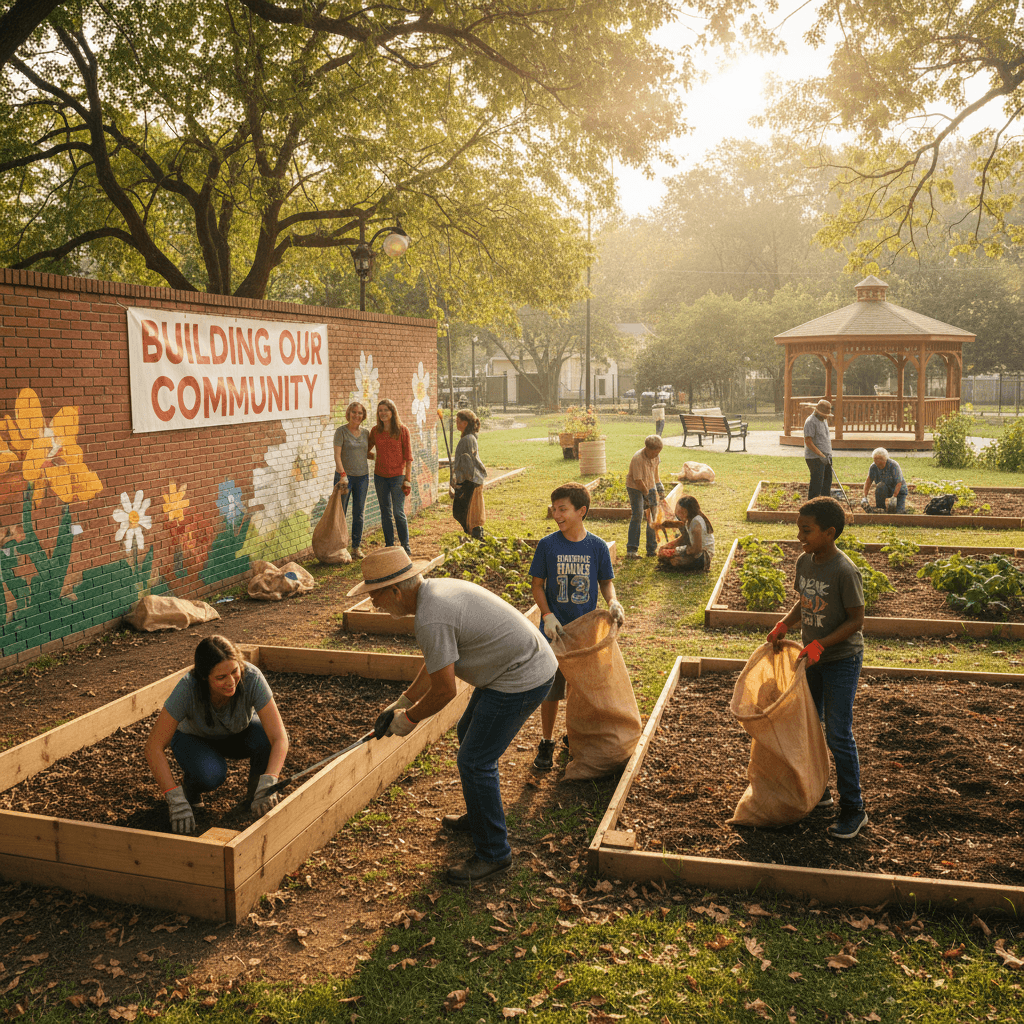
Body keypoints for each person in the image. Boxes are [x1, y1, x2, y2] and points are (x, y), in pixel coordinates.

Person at [350, 548, 557, 885]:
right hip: (513, 666)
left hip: (521, 676)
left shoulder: (432, 615)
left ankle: (494, 853)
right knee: (468, 732)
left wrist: (408, 720)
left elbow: (445, 690)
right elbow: (437, 664)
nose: (375, 606)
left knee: (475, 761)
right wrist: (401, 701)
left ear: (395, 591)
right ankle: (481, 816)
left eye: (375, 597)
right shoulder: (432, 594)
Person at [767, 496, 868, 840]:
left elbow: (856, 621)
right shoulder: (805, 562)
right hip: (811, 658)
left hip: (840, 661)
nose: (800, 536)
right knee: (810, 724)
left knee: (838, 734)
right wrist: (783, 624)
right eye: (799, 528)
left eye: (806, 530)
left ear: (830, 532)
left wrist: (822, 644)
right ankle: (820, 791)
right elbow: (804, 601)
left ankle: (854, 809)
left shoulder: (844, 570)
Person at [144, 635, 289, 835]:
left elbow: (279, 737)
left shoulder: (252, 677)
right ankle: (190, 790)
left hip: (237, 734)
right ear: (204, 677)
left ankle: (256, 796)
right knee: (211, 775)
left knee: (265, 735)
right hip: (194, 740)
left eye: (234, 671)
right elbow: (153, 747)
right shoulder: (188, 688)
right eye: (220, 677)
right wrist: (174, 797)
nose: (231, 682)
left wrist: (270, 779)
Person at [529, 482, 624, 770]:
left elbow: (605, 582)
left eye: (563, 509)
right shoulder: (548, 545)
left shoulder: (596, 547)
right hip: (555, 631)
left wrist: (613, 602)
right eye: (554, 508)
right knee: (551, 687)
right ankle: (547, 741)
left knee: (581, 687)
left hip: (585, 629)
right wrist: (547, 616)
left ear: (581, 511)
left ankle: (575, 734)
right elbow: (537, 585)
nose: (556, 514)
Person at [367, 398, 413, 556]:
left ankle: (405, 546)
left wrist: (407, 479)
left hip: (397, 477)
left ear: (393, 412)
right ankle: (389, 546)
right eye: (380, 411)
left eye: (386, 410)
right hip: (380, 477)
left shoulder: (402, 430)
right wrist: (377, 458)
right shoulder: (375, 431)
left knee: (398, 512)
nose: (383, 413)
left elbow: (408, 457)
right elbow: (365, 449)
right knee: (385, 512)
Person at [333, 400, 371, 558]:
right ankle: (338, 548)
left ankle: (355, 548)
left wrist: (384, 458)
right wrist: (343, 475)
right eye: (354, 412)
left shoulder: (366, 433)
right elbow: (337, 456)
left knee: (359, 513)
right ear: (348, 413)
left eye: (360, 413)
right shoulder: (341, 432)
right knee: (340, 512)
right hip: (344, 478)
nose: (357, 415)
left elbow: (366, 454)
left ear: (363, 416)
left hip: (362, 477)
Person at [624, 434, 665, 558]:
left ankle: (651, 549)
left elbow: (655, 473)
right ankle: (632, 550)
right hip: (635, 488)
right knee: (638, 515)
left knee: (653, 516)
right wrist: (647, 496)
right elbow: (638, 481)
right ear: (647, 448)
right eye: (655, 453)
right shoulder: (638, 459)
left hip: (650, 485)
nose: (656, 455)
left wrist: (659, 486)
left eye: (658, 453)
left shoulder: (656, 456)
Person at [451, 409, 487, 540]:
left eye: (458, 422)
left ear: (465, 423)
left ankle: (478, 538)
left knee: (471, 514)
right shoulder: (469, 437)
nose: (457, 424)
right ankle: (474, 537)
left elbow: (466, 462)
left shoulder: (467, 439)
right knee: (470, 512)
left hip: (471, 480)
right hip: (473, 479)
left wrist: (459, 482)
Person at [657, 494, 715, 572]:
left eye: (681, 512)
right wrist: (668, 546)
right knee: (663, 555)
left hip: (702, 556)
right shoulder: (689, 520)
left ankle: (700, 567)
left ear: (689, 511)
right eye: (678, 511)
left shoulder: (696, 523)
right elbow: (685, 538)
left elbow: (696, 550)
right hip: (694, 552)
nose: (679, 514)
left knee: (674, 561)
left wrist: (675, 551)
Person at [802, 398, 833, 499]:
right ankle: (812, 507)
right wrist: (821, 455)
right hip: (814, 458)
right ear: (818, 412)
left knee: (827, 483)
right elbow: (808, 442)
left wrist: (827, 454)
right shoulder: (810, 422)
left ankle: (825, 506)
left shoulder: (823, 420)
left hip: (826, 456)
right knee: (817, 484)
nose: (826, 416)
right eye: (825, 414)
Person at [861, 447, 907, 514]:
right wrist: (864, 497)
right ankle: (881, 508)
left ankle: (899, 509)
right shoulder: (873, 467)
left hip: (899, 490)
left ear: (885, 460)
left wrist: (894, 497)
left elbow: (899, 483)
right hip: (886, 489)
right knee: (880, 486)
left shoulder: (894, 465)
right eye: (875, 462)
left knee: (899, 512)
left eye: (879, 463)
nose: (877, 465)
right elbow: (868, 481)